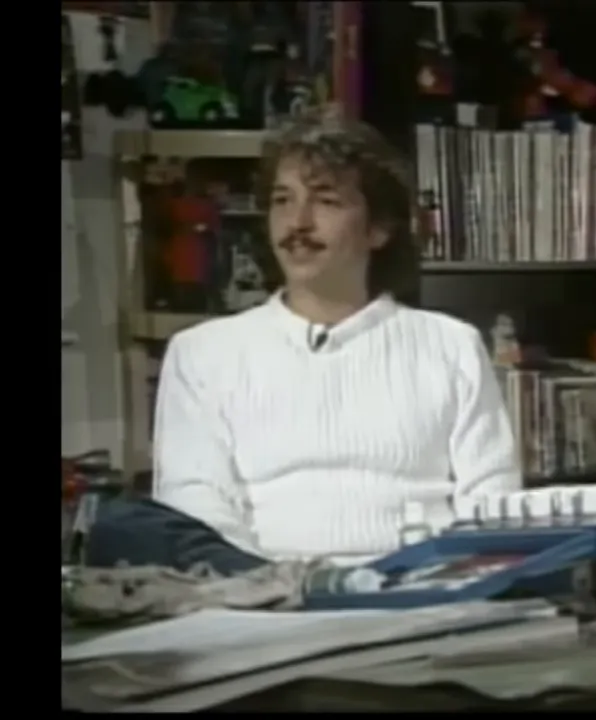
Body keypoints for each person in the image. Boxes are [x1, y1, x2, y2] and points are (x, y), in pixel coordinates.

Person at [88, 110, 522, 573]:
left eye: (326, 201)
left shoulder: (450, 345)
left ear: (379, 228)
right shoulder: (202, 353)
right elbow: (199, 514)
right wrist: (276, 590)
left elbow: (491, 505)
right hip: (260, 598)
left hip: (424, 592)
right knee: (122, 526)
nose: (297, 222)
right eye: (282, 200)